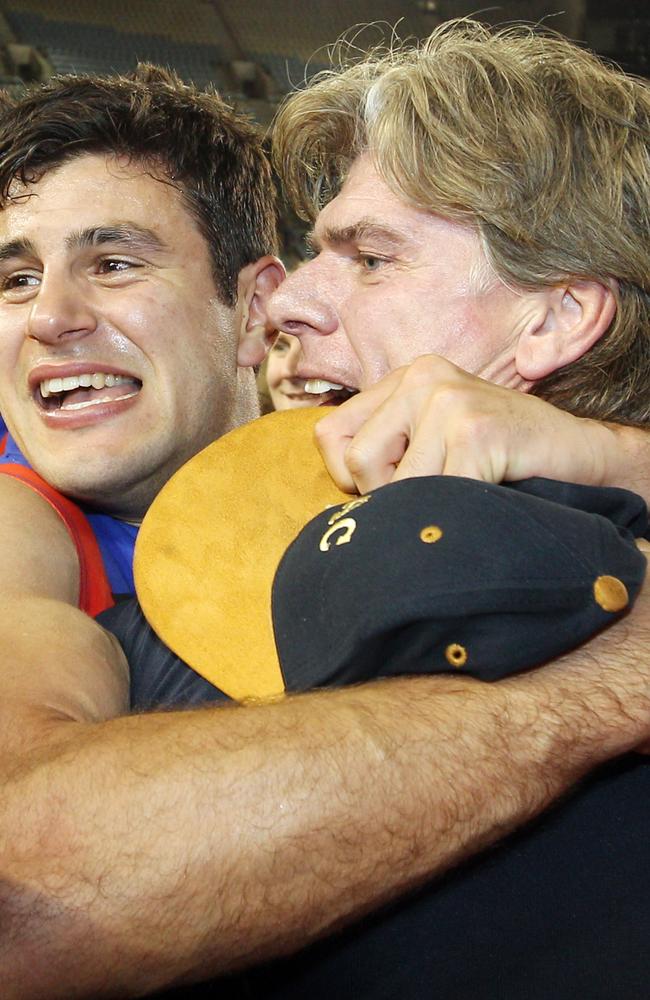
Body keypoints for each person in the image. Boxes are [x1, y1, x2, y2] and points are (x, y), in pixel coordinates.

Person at [1, 30, 650, 1000]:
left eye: (371, 257)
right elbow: (33, 890)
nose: (291, 299)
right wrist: (601, 685)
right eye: (13, 279)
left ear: (554, 317)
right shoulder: (70, 583)